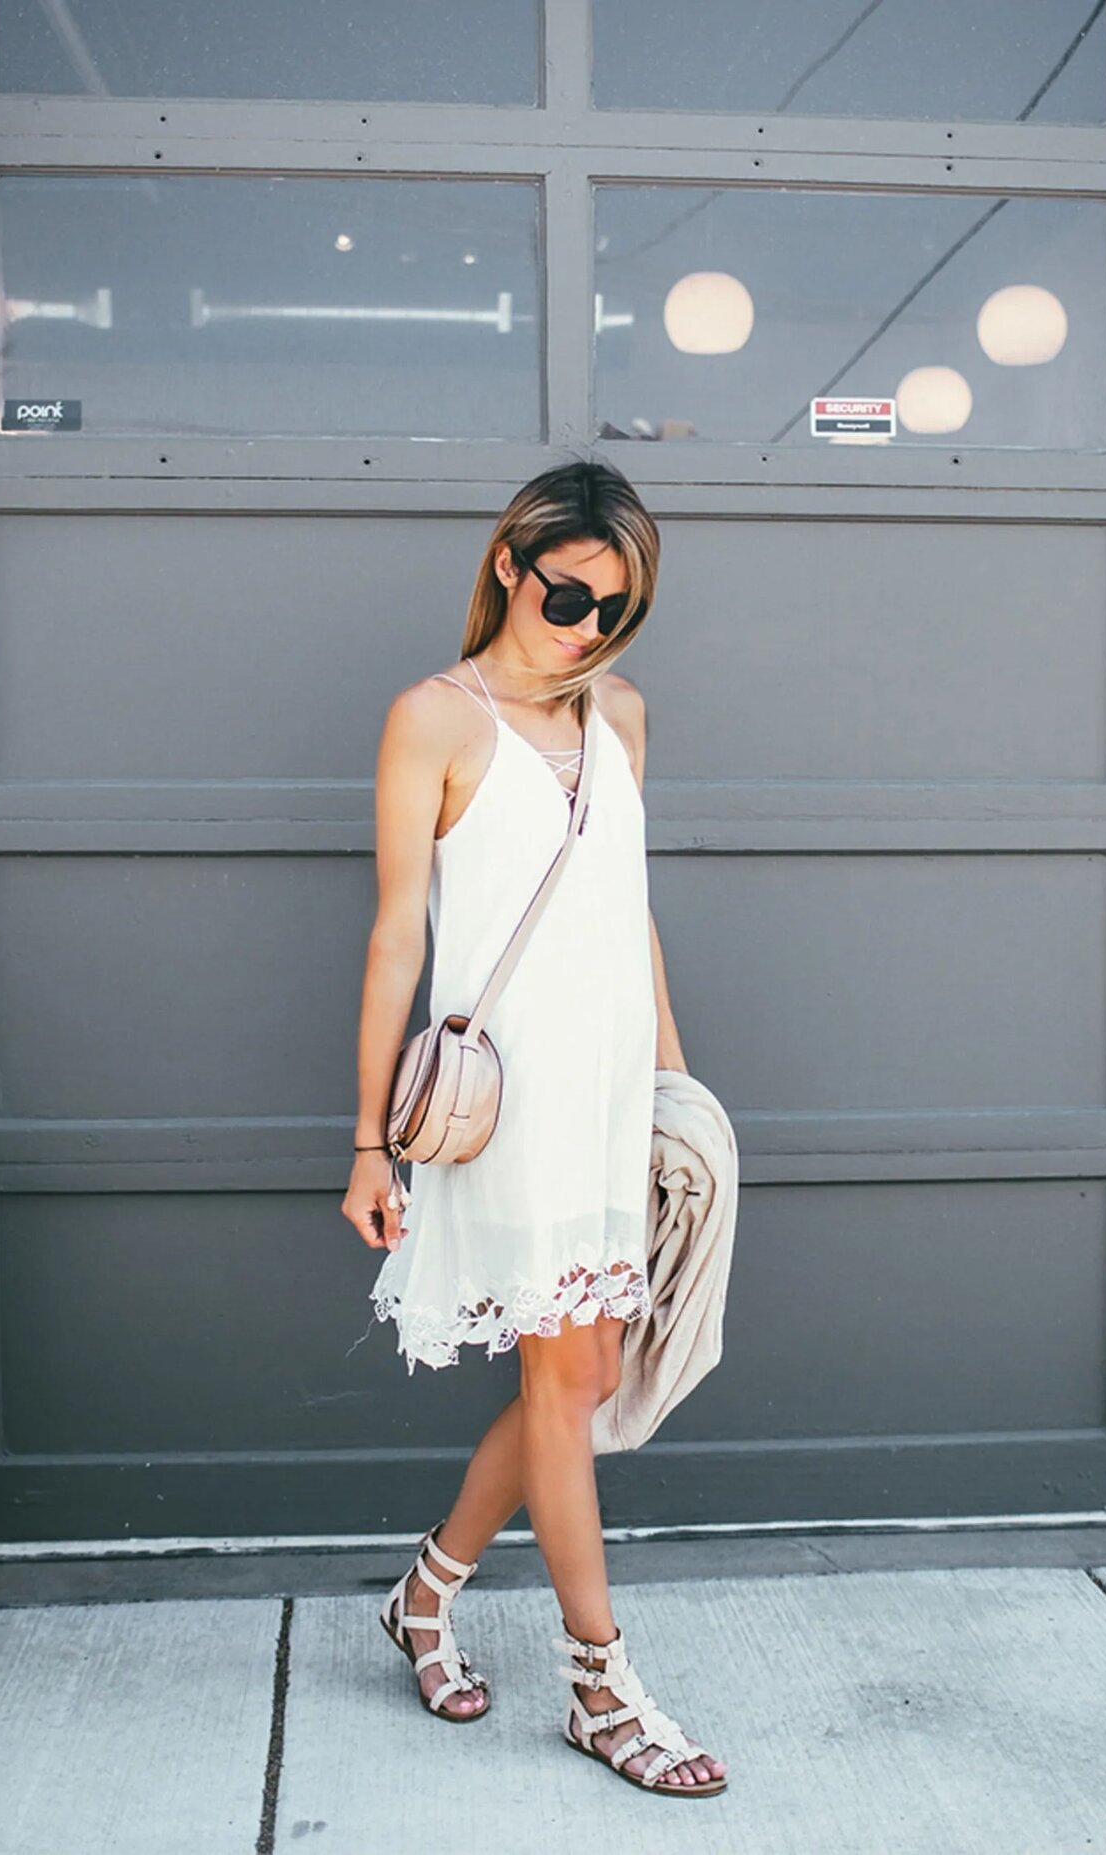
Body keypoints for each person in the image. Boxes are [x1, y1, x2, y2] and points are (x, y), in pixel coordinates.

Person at [341, 459, 727, 1797]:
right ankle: (602, 1685)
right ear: (510, 560)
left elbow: (631, 915)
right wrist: (365, 1143)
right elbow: (399, 936)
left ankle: (424, 1597)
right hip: (512, 1114)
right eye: (568, 594)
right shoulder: (433, 721)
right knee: (566, 1384)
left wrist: (677, 1098)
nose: (583, 629)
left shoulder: (616, 711)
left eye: (611, 612)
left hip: (614, 1101)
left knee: (571, 1378)